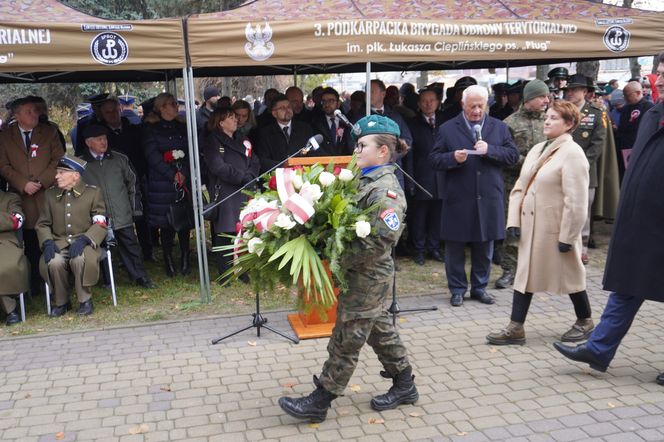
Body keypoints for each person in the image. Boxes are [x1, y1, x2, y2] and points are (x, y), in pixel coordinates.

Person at [279, 115, 418, 423]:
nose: (356, 150)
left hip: (369, 277)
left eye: (362, 145)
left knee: (347, 337)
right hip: (361, 276)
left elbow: (381, 241)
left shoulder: (385, 191)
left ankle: (321, 399)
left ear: (383, 152)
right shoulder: (363, 179)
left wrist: (335, 256)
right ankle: (405, 384)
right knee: (379, 331)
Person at [553, 53, 664, 385]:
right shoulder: (653, 114)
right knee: (627, 286)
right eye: (659, 72)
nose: (659, 78)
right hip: (643, 221)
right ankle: (599, 349)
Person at [486, 101, 592, 345]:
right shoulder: (537, 149)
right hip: (531, 228)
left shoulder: (573, 153)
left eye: (554, 118)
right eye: (547, 116)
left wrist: (567, 237)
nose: (547, 121)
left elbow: (576, 201)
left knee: (571, 276)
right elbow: (520, 187)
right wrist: (513, 219)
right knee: (524, 277)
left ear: (569, 124)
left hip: (555, 229)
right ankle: (516, 327)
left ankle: (585, 320)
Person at [429, 85, 519, 307]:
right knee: (455, 248)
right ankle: (457, 289)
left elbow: (512, 156)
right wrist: (452, 157)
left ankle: (480, 288)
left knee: (484, 245)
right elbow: (434, 159)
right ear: (462, 105)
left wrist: (490, 150)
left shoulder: (499, 127)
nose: (477, 111)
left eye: (481, 106)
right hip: (459, 196)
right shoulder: (448, 128)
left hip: (488, 196)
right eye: (472, 106)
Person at [0, 97, 65, 296]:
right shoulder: (5, 136)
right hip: (23, 197)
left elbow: (59, 159)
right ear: (16, 115)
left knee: (51, 237)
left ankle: (57, 282)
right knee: (29, 242)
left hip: (47, 195)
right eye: (29, 111)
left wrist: (42, 181)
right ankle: (34, 285)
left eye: (36, 111)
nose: (35, 114)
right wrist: (23, 183)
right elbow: (3, 165)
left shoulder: (49, 132)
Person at [79, 124, 155, 289]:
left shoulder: (119, 158)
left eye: (105, 138)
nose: (103, 142)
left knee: (131, 246)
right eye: (99, 139)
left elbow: (133, 183)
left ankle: (140, 277)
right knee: (101, 247)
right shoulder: (81, 165)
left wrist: (134, 208)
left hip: (122, 212)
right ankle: (107, 280)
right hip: (97, 216)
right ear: (88, 142)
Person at [36, 155, 107, 317]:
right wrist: (47, 242)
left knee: (79, 259)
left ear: (75, 175)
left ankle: (85, 301)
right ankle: (62, 302)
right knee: (54, 262)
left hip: (86, 243)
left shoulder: (93, 193)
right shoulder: (50, 195)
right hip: (59, 243)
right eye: (57, 172)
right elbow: (43, 223)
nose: (56, 176)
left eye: (61, 173)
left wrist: (86, 239)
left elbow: (100, 222)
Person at [496, 79, 550, 289]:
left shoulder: (550, 120)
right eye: (541, 97)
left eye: (547, 96)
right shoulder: (509, 123)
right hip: (515, 184)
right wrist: (530, 164)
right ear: (529, 98)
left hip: (544, 184)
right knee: (513, 229)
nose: (546, 100)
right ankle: (510, 269)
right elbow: (505, 155)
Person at [203, 107, 260, 281]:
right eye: (231, 118)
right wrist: (241, 177)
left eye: (236, 117)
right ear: (221, 123)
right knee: (224, 232)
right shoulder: (213, 141)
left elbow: (254, 160)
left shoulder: (242, 140)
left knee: (243, 231)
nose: (235, 120)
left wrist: (251, 175)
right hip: (226, 190)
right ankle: (224, 273)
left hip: (244, 190)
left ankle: (243, 271)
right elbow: (217, 166)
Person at [142, 93, 192, 277]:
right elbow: (152, 155)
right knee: (167, 223)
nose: (175, 107)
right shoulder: (151, 127)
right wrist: (172, 174)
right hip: (162, 180)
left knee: (184, 219)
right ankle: (168, 260)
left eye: (175, 104)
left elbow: (190, 149)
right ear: (161, 107)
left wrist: (184, 172)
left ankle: (186, 258)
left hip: (182, 177)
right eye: (171, 104)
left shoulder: (182, 125)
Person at [563, 74, 607, 265]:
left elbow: (598, 144)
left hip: (586, 171)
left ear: (585, 92)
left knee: (584, 211)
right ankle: (564, 243)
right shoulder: (562, 112)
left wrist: (579, 163)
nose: (570, 92)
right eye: (569, 89)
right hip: (562, 169)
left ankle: (583, 248)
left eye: (575, 89)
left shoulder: (596, 113)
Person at [406, 87, 444, 265]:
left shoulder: (445, 122)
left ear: (438, 102)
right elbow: (410, 155)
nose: (428, 104)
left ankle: (434, 247)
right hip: (421, 177)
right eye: (424, 101)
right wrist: (410, 180)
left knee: (438, 215)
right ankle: (419, 249)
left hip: (442, 177)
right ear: (419, 104)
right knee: (419, 216)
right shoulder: (412, 124)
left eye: (432, 100)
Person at [254, 93, 314, 173]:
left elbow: (313, 152)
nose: (287, 110)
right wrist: (282, 166)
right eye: (282, 108)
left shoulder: (305, 129)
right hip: (277, 177)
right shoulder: (265, 133)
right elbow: (262, 160)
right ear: (274, 113)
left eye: (289, 107)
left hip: (303, 175)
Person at [0, 189, 29, 326]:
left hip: (5, 241)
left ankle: (10, 311)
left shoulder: (10, 198)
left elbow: (17, 220)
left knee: (4, 267)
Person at [615, 81, 653, 181]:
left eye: (627, 95)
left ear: (638, 93)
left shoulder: (649, 108)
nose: (625, 98)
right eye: (624, 95)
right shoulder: (626, 108)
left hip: (636, 148)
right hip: (622, 148)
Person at [309, 87, 354, 156]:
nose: (327, 105)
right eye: (324, 101)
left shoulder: (347, 121)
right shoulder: (315, 124)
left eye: (331, 101)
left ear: (338, 103)